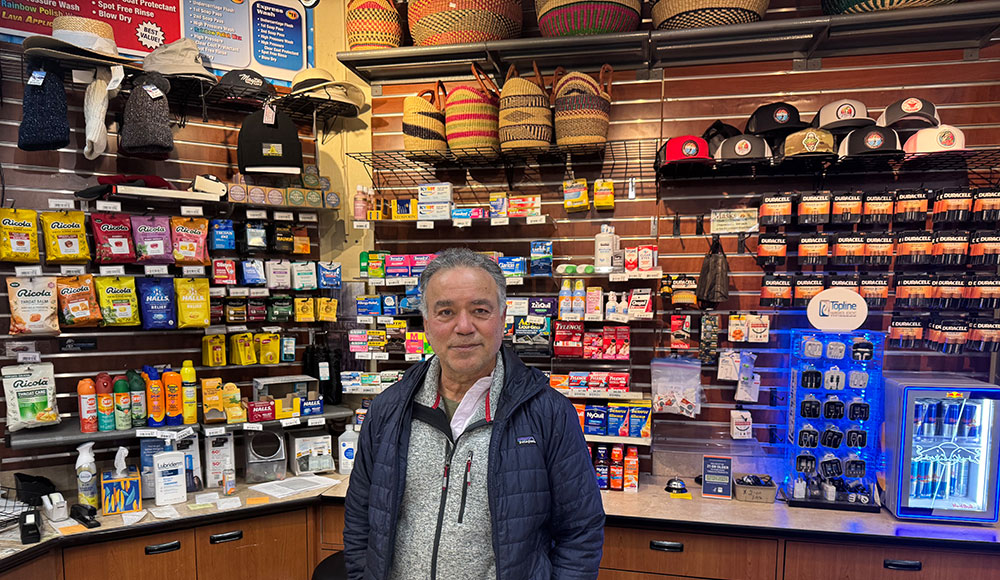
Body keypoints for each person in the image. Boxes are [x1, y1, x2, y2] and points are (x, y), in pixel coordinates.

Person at [344, 247, 605, 580]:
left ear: (503, 317)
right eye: (446, 312)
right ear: (426, 322)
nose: (463, 326)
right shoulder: (388, 411)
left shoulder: (548, 413)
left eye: (480, 310)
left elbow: (580, 531)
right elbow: (359, 521)